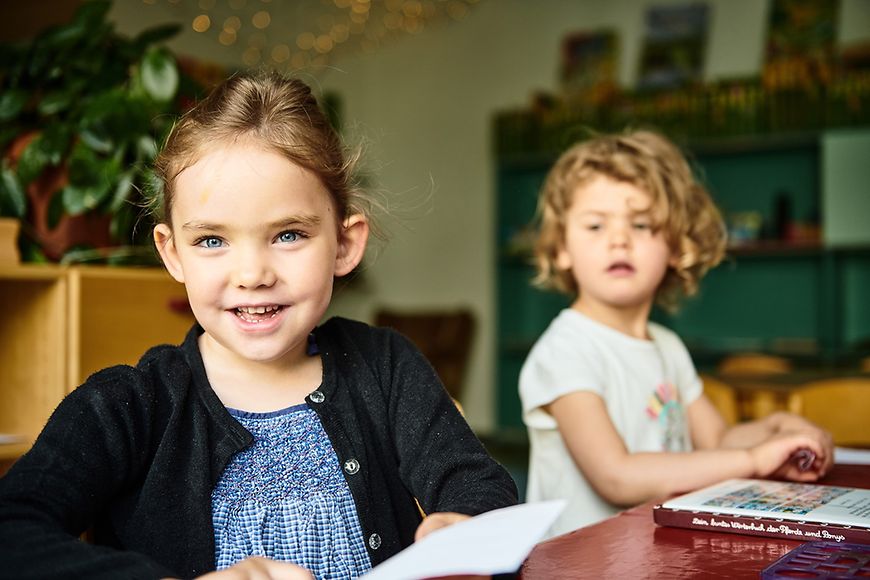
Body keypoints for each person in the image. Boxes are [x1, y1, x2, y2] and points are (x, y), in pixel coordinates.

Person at [0, 71, 517, 579]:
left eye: (288, 235)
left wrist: (463, 525)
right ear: (172, 252)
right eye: (211, 240)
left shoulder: (386, 366)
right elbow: (13, 531)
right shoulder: (128, 405)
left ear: (344, 243)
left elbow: (479, 484)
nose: (252, 275)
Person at [518, 129, 833, 538]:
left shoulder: (667, 346)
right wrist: (754, 460)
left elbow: (717, 439)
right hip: (576, 563)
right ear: (561, 247)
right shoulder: (564, 351)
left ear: (675, 245)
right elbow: (617, 476)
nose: (619, 240)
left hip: (654, 551)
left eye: (642, 224)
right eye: (595, 226)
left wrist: (777, 430)